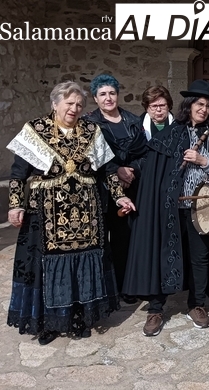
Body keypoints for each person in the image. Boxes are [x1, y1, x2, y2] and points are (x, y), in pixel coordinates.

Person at [6, 81, 134, 345]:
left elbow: (107, 171)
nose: (74, 109)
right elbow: (18, 174)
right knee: (45, 267)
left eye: (78, 104)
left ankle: (79, 317)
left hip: (87, 215)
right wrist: (16, 204)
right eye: (69, 103)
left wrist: (120, 196)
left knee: (81, 265)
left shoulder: (91, 130)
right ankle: (49, 322)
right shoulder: (35, 130)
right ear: (55, 104)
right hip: (45, 216)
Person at [123, 79, 209, 337]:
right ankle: (156, 308)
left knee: (200, 257)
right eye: (199, 103)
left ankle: (197, 304)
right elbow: (155, 175)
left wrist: (204, 161)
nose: (204, 109)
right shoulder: (170, 134)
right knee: (162, 253)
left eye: (208, 105)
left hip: (204, 209)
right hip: (170, 208)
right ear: (189, 105)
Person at [85, 74, 148, 305]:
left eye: (112, 93)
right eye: (102, 94)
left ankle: (125, 286)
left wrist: (130, 169)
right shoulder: (88, 123)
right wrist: (116, 170)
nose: (108, 98)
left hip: (129, 188)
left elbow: (144, 153)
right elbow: (90, 158)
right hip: (99, 190)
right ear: (95, 97)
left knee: (125, 239)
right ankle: (103, 287)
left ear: (117, 95)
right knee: (101, 240)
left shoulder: (132, 120)